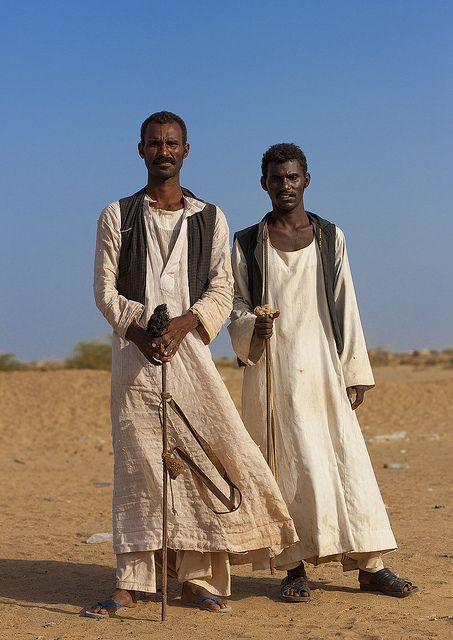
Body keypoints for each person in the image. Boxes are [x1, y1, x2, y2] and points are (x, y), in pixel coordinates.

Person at [88, 114, 297, 617]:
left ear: (186, 150)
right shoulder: (116, 215)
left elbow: (222, 289)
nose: (164, 151)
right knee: (140, 471)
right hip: (135, 363)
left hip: (192, 360)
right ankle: (133, 581)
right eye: (155, 144)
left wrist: (184, 325)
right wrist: (141, 334)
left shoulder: (211, 217)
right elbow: (105, 290)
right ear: (141, 150)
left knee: (203, 464)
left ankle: (197, 578)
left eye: (172, 143)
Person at [228, 143, 418, 602]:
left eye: (292, 177)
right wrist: (254, 324)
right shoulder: (247, 242)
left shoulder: (331, 237)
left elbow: (346, 304)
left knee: (344, 461)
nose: (285, 185)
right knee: (284, 467)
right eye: (276, 178)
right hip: (271, 372)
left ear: (307, 180)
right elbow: (233, 305)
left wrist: (355, 370)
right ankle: (293, 568)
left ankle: (370, 564)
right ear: (264, 184)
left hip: (323, 367)